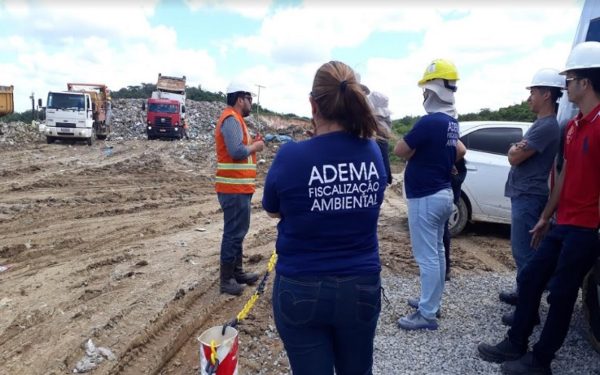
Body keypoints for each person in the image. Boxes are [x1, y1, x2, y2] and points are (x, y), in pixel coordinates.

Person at [478, 41, 600, 375]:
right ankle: (516, 342)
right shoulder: (573, 127)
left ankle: (540, 360)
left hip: (588, 228)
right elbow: (564, 175)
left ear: (585, 82)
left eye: (571, 78)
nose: (567, 85)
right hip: (563, 222)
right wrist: (547, 216)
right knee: (531, 277)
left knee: (561, 294)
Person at [262, 60, 387, 375]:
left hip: (300, 285)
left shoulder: (290, 155)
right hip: (361, 285)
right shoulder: (372, 152)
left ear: (313, 104)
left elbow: (273, 209)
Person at [394, 58, 466, 330]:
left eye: (426, 90)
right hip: (443, 194)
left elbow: (400, 150)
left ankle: (427, 314)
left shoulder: (429, 122)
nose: (424, 95)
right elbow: (459, 151)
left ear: (434, 89)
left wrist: (414, 150)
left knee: (427, 256)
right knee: (436, 253)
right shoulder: (451, 122)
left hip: (425, 197)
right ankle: (430, 301)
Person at [498, 68, 563, 326]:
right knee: (523, 251)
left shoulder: (546, 126)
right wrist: (516, 148)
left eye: (533, 92)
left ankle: (528, 310)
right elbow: (516, 152)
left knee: (524, 253)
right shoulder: (541, 125)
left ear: (546, 94)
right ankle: (523, 294)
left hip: (529, 196)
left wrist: (515, 148)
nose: (529, 99)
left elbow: (514, 156)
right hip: (525, 194)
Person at [214, 80, 265, 296]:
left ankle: (237, 272)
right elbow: (236, 151)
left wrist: (252, 145)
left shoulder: (236, 120)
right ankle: (227, 280)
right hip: (232, 188)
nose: (251, 103)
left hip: (238, 188)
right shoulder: (231, 120)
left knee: (238, 232)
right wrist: (256, 146)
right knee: (233, 234)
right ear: (239, 99)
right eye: (249, 98)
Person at [443, 157, 467, 281]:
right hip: (445, 193)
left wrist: (452, 179)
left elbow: (462, 171)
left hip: (444, 193)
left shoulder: (454, 147)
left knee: (440, 233)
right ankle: (443, 268)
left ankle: (444, 268)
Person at [368, 91, 393, 185]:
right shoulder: (387, 117)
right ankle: (386, 178)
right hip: (383, 143)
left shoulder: (376, 118)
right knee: (384, 157)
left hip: (377, 143)